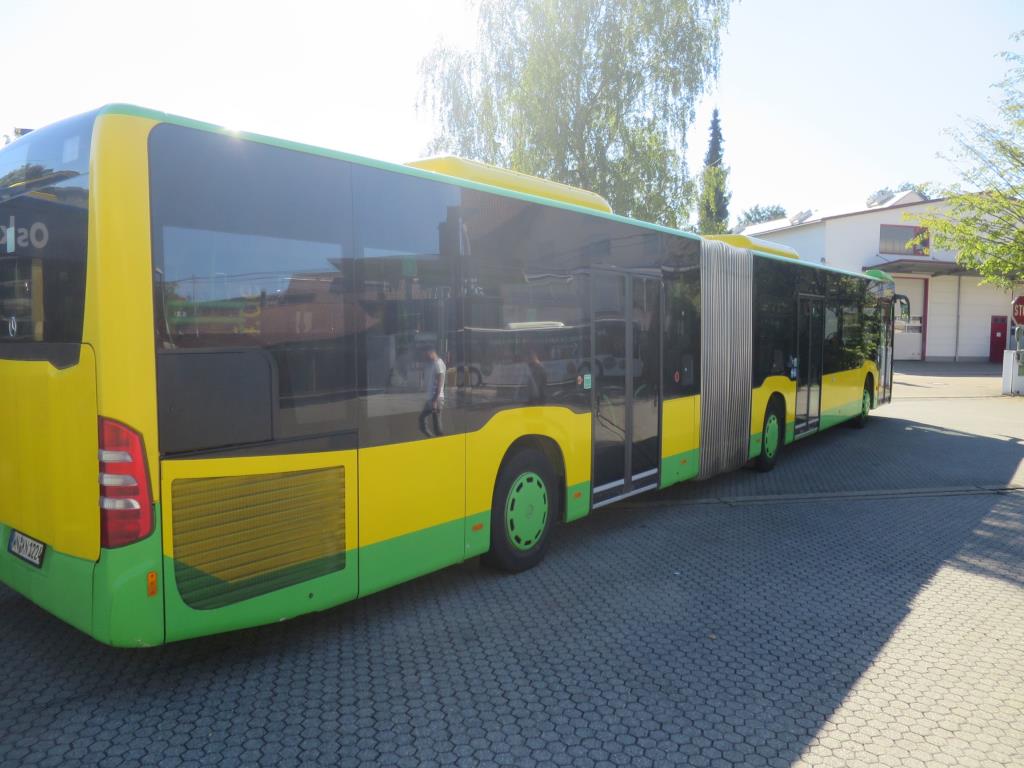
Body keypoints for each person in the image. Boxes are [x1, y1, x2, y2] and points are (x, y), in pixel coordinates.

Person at [419, 347, 446, 437]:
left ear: (431, 353)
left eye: (426, 355)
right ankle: (432, 439)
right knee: (422, 420)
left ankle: (440, 441)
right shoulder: (432, 363)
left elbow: (440, 383)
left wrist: (434, 400)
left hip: (436, 399)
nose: (425, 357)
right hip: (431, 398)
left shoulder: (438, 364)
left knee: (437, 426)